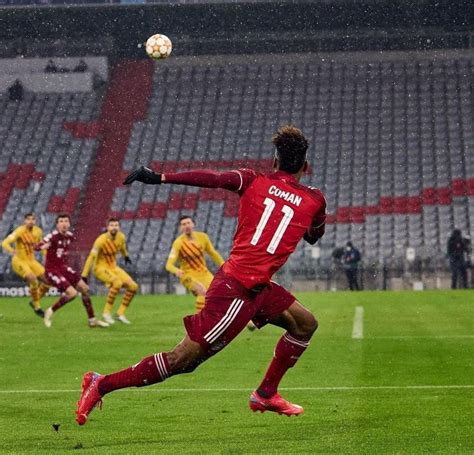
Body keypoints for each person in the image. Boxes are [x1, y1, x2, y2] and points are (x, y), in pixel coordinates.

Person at [76, 125, 326, 425]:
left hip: (252, 285)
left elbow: (215, 179)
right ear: (306, 167)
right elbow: (314, 235)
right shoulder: (315, 200)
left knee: (304, 324)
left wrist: (161, 177)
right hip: (238, 291)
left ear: (274, 163)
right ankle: (101, 383)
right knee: (183, 360)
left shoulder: (252, 179)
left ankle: (266, 393)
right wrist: (310, 220)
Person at [36, 214, 108, 328]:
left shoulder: (70, 236)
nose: (64, 223)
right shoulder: (52, 236)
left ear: (69, 224)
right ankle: (49, 311)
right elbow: (37, 246)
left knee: (84, 289)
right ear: (57, 225)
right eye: (61, 221)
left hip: (63, 267)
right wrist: (41, 246)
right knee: (72, 293)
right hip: (52, 270)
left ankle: (92, 320)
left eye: (66, 221)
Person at [81, 218, 137, 325]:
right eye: (112, 225)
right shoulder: (101, 240)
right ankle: (106, 313)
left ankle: (120, 314)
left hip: (113, 267)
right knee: (117, 283)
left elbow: (122, 247)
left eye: (116, 225)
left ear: (119, 227)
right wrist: (84, 274)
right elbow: (91, 257)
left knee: (133, 286)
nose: (114, 227)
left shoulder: (121, 237)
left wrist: (126, 256)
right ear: (107, 227)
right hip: (100, 268)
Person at [166, 215, 225, 313]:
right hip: (188, 275)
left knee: (219, 294)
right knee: (202, 291)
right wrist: (176, 270)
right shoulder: (178, 243)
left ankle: (244, 322)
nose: (186, 226)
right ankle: (197, 325)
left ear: (193, 224)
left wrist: (224, 265)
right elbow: (168, 265)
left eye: (188, 223)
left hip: (204, 273)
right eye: (183, 224)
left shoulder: (203, 237)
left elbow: (213, 253)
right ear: (181, 228)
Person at [1, 213, 49, 317]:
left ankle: (34, 301)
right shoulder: (20, 231)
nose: (31, 221)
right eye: (28, 219)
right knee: (33, 279)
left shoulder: (38, 231)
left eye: (33, 219)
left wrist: (46, 257)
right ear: (24, 221)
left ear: (35, 221)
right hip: (19, 260)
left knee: (49, 281)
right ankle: (37, 306)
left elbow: (41, 246)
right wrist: (12, 250)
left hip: (32, 261)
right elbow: (4, 243)